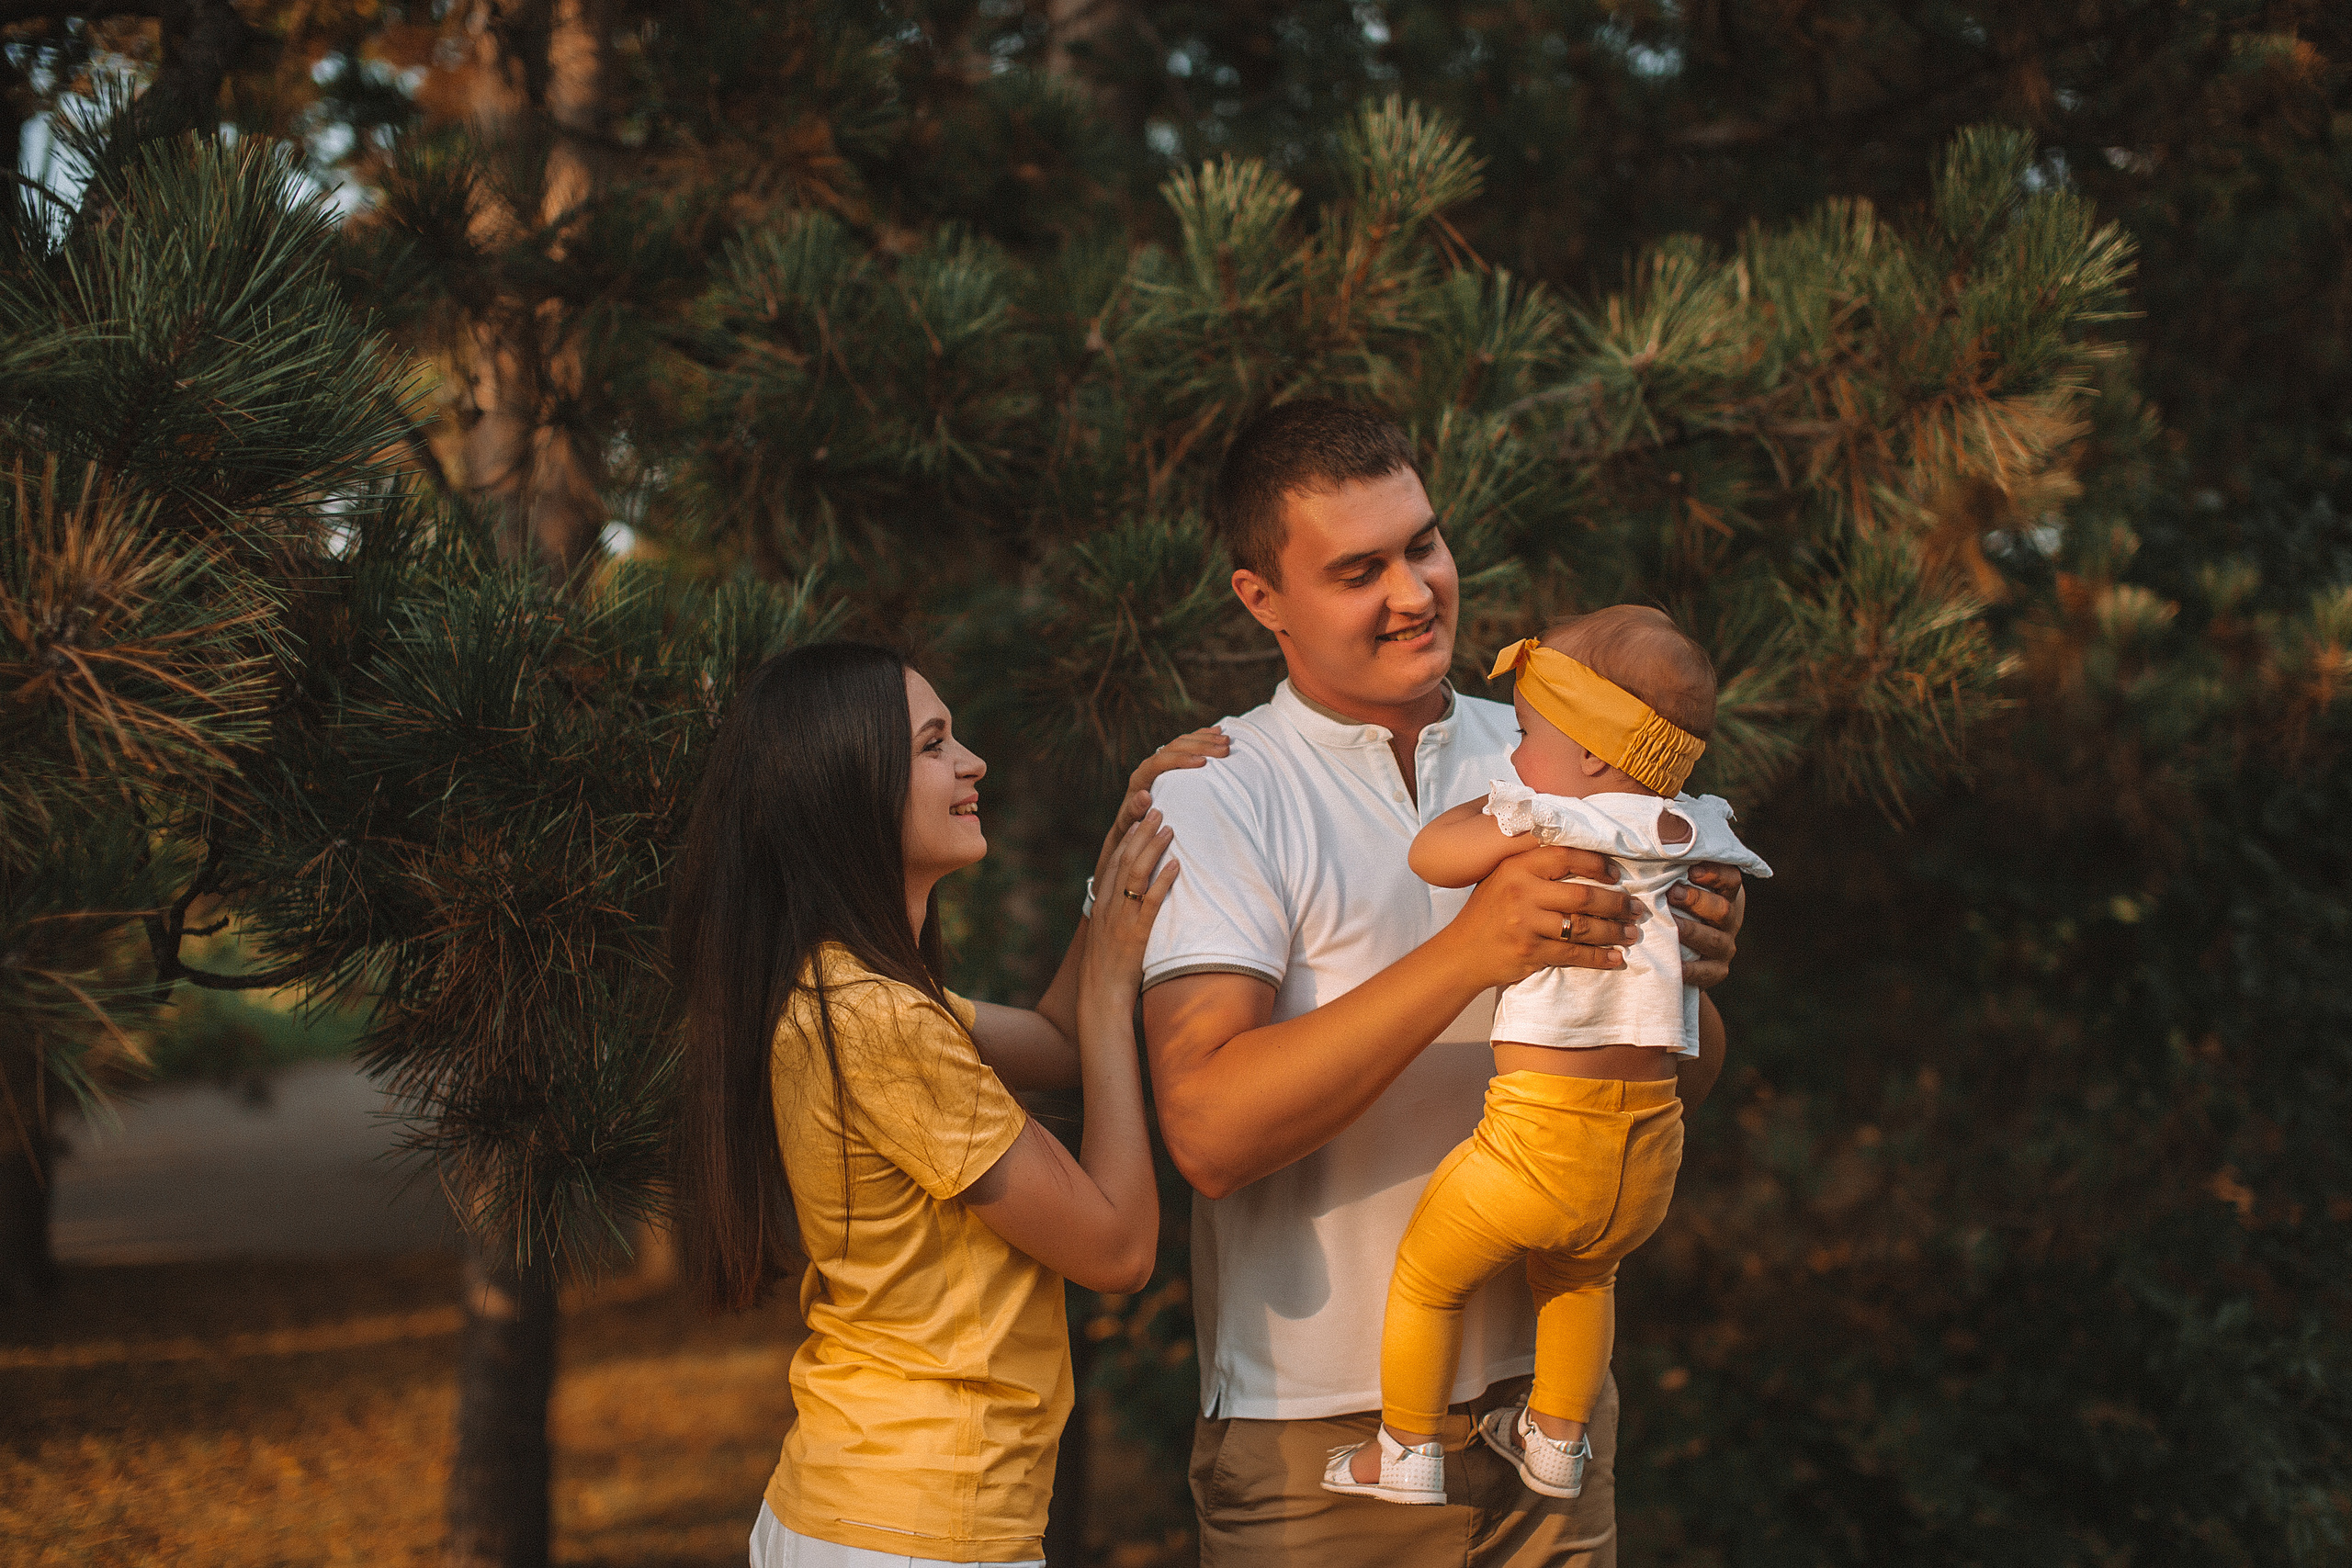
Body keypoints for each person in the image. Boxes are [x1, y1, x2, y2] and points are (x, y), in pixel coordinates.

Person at [1139, 400, 1748, 1566]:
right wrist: (1470, 951)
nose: (1414, 592)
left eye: (1422, 544)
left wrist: (1690, 983)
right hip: (1315, 1453)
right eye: (1358, 569)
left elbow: (1692, 1080)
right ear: (1260, 600)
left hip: (1553, 1428)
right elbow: (1208, 1133)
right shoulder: (1215, 793)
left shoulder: (1563, 748)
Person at [667, 641, 1220, 1568]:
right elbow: (1118, 1248)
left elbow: (1051, 1044)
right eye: (932, 745)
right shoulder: (880, 1021)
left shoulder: (844, 987)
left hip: (865, 1510)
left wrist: (1114, 856)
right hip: (916, 1527)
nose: (973, 764)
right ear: (852, 789)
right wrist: (1109, 991)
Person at [1325, 606, 1773, 1506]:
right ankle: (1557, 1443)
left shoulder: (1555, 816)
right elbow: (1718, 906)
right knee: (1582, 1274)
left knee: (1424, 1276)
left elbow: (1432, 854)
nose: (1515, 754)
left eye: (1528, 734)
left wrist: (1500, 823)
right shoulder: (1699, 832)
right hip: (1647, 1155)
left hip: (1536, 1146)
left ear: (1595, 758)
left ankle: (1407, 1449)